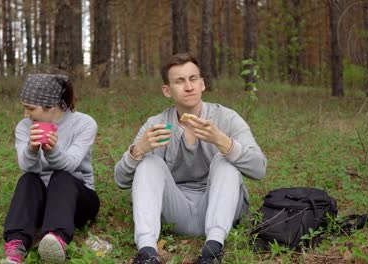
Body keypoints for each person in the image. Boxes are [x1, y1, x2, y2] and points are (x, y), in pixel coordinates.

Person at [114, 53, 267, 264]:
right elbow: (121, 180)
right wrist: (138, 150)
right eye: (180, 81)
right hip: (175, 211)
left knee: (225, 160)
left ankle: (212, 252)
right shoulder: (157, 124)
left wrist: (223, 141)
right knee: (149, 163)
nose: (189, 86)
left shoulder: (226, 118)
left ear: (202, 83)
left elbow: (260, 169)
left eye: (193, 79)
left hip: (220, 207)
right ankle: (147, 253)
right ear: (167, 90)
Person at [1, 74, 100, 264]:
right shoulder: (24, 127)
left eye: (30, 108)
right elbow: (26, 166)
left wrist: (52, 151)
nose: (25, 114)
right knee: (27, 179)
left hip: (78, 200)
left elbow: (70, 163)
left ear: (50, 106)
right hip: (43, 203)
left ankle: (57, 239)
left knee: (62, 176)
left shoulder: (85, 124)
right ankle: (16, 245)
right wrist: (31, 148)